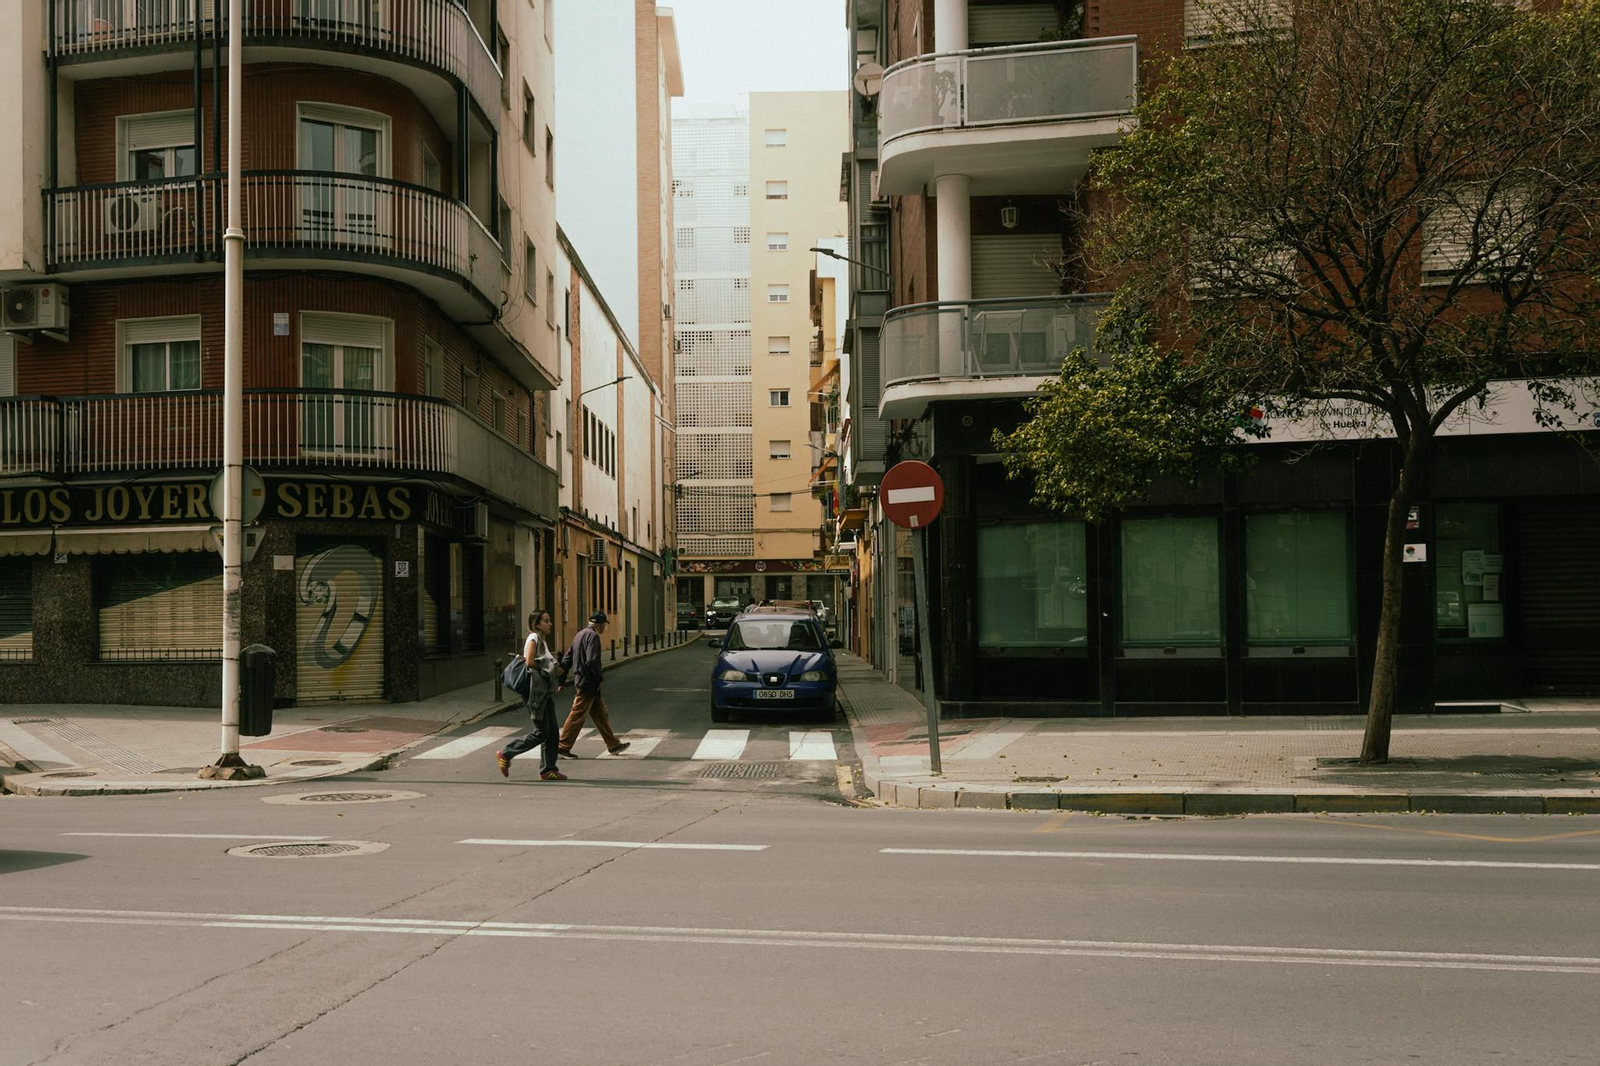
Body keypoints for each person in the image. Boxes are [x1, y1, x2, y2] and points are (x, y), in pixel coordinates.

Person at [495, 610, 566, 781]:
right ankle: (506, 753)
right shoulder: (533, 638)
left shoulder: (542, 640)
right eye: (546, 621)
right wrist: (551, 669)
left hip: (544, 691)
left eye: (549, 620)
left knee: (553, 732)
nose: (550, 624)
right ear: (536, 624)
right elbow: (530, 662)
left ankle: (548, 769)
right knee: (541, 731)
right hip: (534, 692)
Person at [558, 611, 630, 757]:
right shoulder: (593, 636)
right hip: (588, 682)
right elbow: (592, 660)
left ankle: (613, 744)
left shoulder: (580, 634)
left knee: (601, 714)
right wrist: (599, 678)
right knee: (577, 714)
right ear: (601, 624)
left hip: (582, 679)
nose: (605, 628)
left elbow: (567, 657)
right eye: (604, 625)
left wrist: (561, 679)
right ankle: (563, 745)